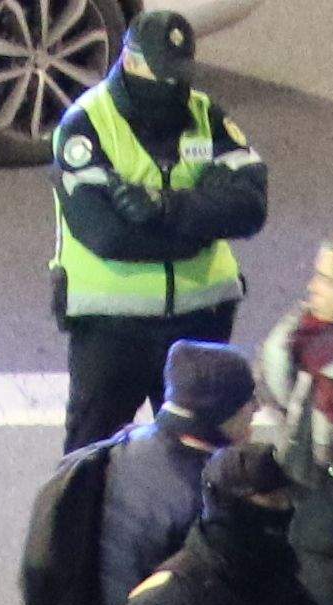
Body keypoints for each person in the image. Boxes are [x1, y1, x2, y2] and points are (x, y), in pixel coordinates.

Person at [49, 7, 267, 450]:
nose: (174, 86)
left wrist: (162, 207)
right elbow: (106, 234)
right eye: (163, 74)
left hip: (199, 320)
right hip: (113, 330)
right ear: (131, 63)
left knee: (206, 464)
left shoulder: (206, 115)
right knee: (90, 463)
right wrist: (200, 227)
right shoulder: (87, 124)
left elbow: (249, 206)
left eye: (180, 74)